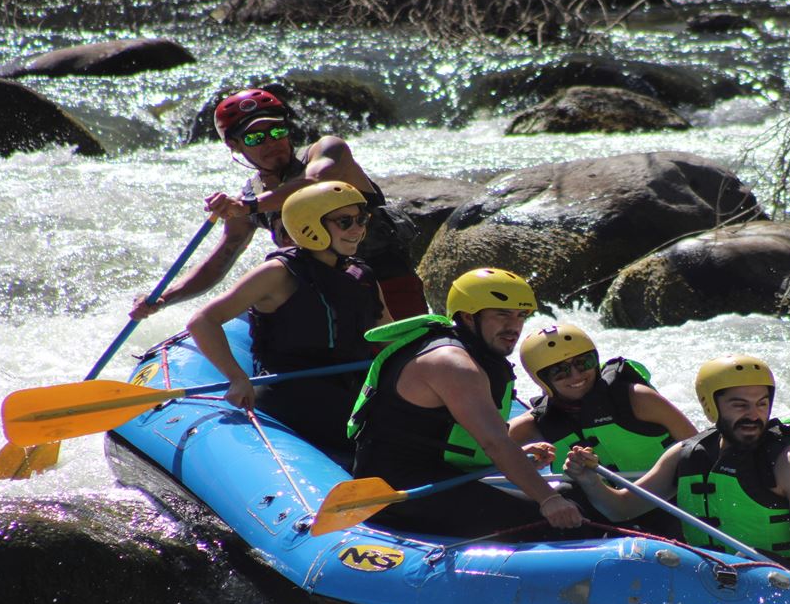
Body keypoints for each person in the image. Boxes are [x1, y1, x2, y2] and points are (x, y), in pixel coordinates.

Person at [133, 87, 426, 321]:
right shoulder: (251, 196)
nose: (271, 142)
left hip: (387, 286)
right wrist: (165, 298)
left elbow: (313, 184)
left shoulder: (328, 151)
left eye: (276, 131)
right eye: (256, 137)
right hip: (324, 302)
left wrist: (247, 206)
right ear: (235, 145)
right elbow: (219, 262)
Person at [564, 354, 790, 588]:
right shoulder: (686, 455)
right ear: (711, 405)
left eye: (761, 403)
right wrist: (589, 480)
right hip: (706, 579)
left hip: (778, 580)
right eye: (739, 405)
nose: (753, 415)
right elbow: (620, 509)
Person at [348, 268, 584, 537]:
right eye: (502, 314)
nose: (514, 327)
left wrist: (519, 458)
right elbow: (495, 443)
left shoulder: (468, 350)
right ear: (469, 316)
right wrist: (549, 500)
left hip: (440, 474)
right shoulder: (452, 363)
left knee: (571, 493)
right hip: (399, 491)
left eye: (520, 315)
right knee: (555, 520)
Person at [187, 181, 390, 464]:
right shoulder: (278, 274)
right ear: (310, 225)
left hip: (350, 386)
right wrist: (236, 377)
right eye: (345, 222)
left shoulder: (360, 274)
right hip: (290, 390)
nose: (357, 229)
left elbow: (388, 337)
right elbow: (203, 321)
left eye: (360, 219)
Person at [508, 323, 697, 474]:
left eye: (584, 362)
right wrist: (520, 460)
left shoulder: (637, 398)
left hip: (669, 501)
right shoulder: (530, 426)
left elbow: (700, 448)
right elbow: (492, 454)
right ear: (541, 379)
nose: (576, 375)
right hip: (597, 514)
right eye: (559, 371)